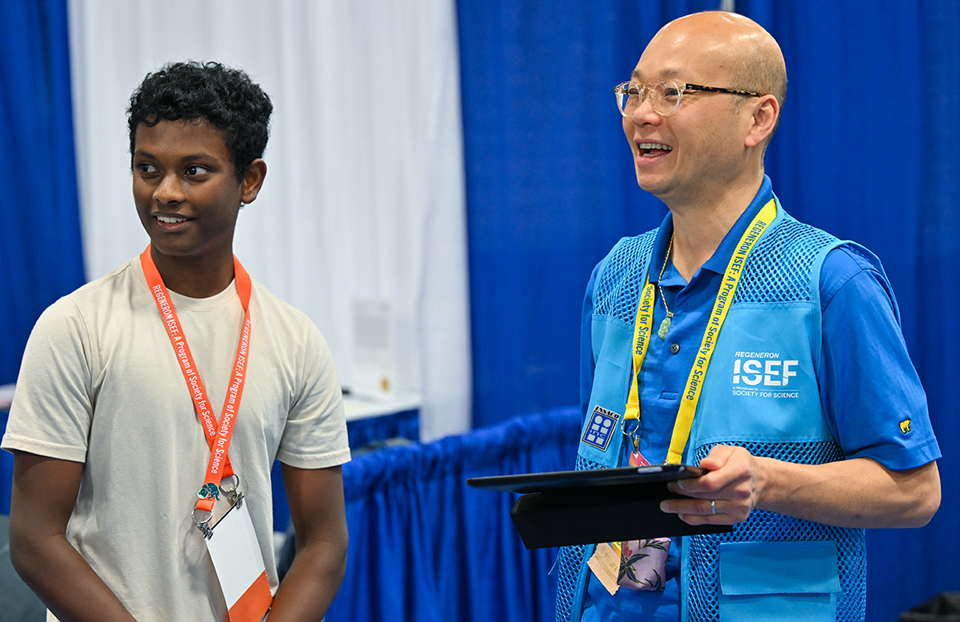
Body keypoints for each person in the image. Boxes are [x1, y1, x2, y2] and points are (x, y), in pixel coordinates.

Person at [556, 11, 941, 622]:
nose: (642, 113)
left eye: (673, 92)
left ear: (757, 119)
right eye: (633, 92)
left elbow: (916, 491)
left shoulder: (830, 282)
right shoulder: (616, 276)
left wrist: (767, 482)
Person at [2, 61, 350, 621]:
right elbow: (35, 541)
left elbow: (324, 543)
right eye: (147, 167)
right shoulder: (76, 326)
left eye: (194, 171)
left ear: (251, 180)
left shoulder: (295, 341)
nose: (165, 192)